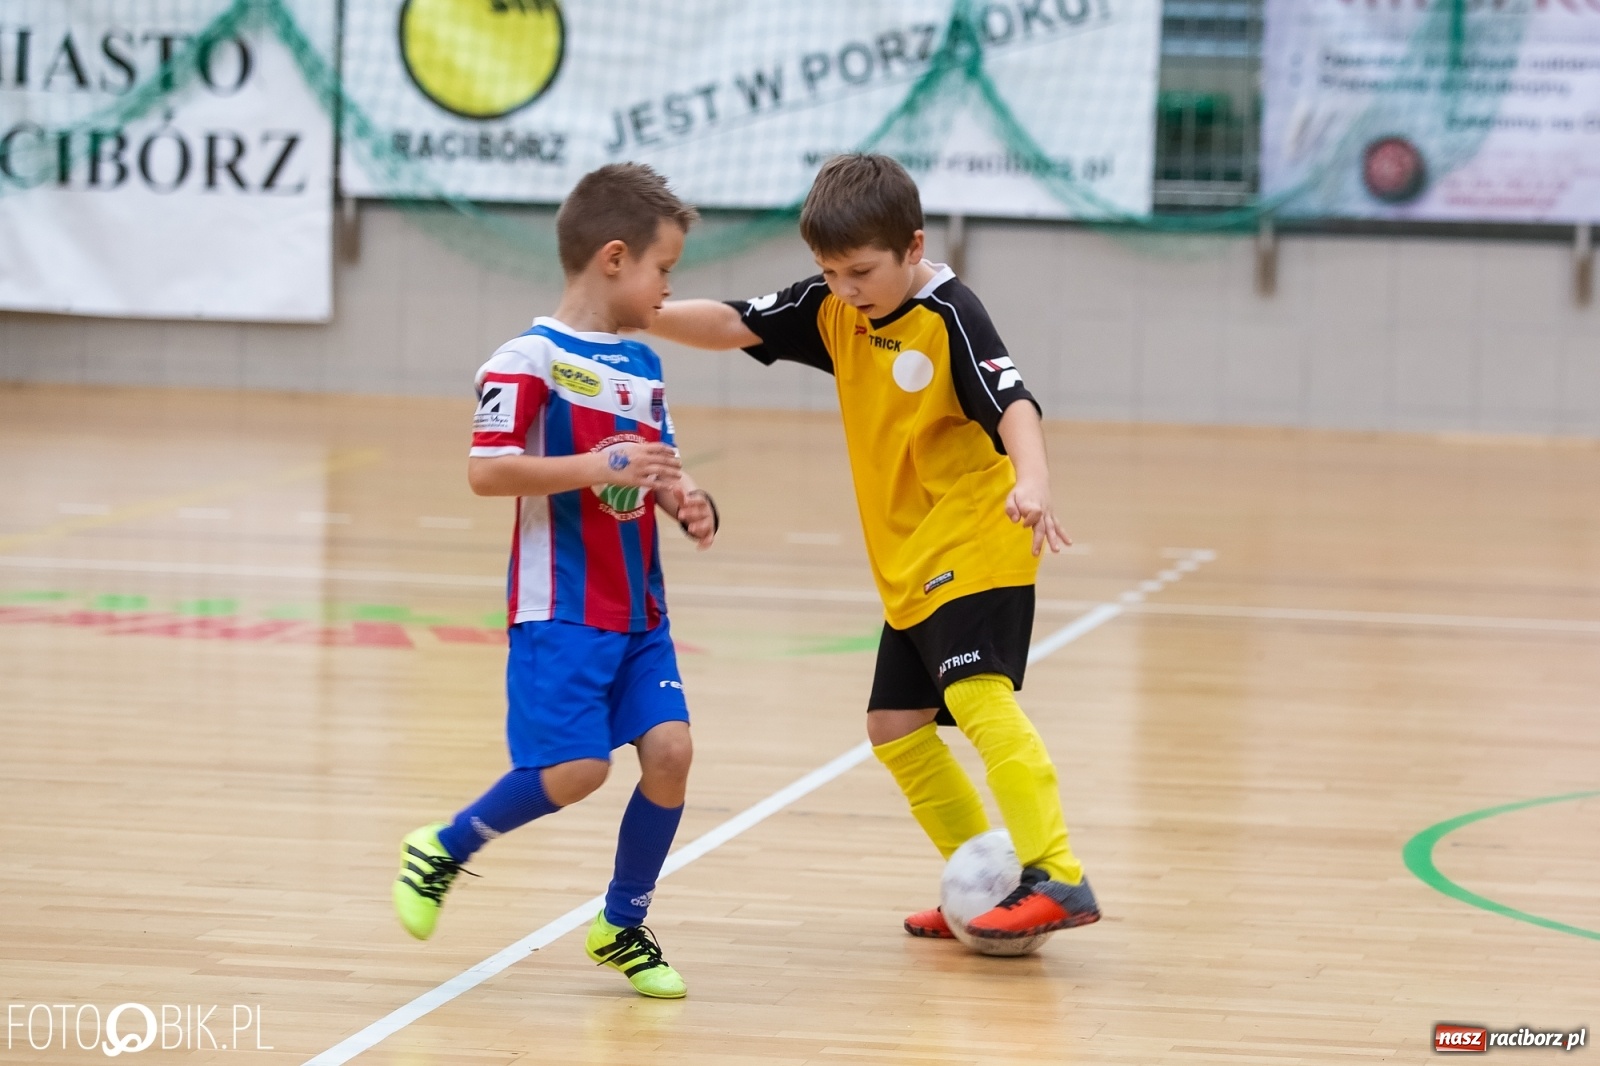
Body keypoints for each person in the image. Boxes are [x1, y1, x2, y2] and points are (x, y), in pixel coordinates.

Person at [648, 153, 1098, 942]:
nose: (845, 287)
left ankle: (1057, 874)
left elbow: (1014, 401)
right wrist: (634, 314)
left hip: (981, 530)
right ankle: (984, 882)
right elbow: (732, 322)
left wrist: (1033, 479)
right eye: (830, 270)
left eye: (860, 270)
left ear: (913, 246)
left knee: (977, 697)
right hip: (912, 556)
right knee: (893, 723)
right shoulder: (833, 307)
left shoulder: (951, 313)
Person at [391, 163, 718, 998]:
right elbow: (486, 472)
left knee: (672, 751)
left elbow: (654, 466)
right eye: (663, 268)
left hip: (640, 608)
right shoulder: (524, 358)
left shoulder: (644, 364)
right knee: (577, 771)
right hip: (561, 608)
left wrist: (684, 498)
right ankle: (446, 846)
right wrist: (591, 465)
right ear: (614, 258)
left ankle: (621, 922)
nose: (667, 286)